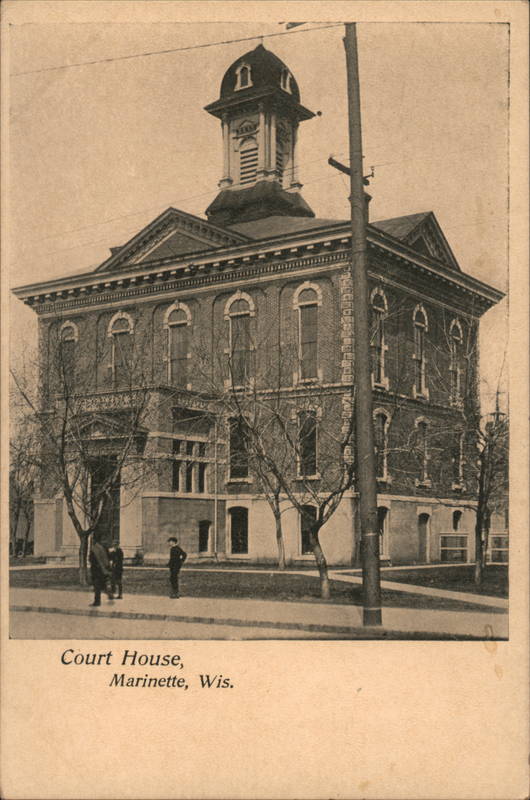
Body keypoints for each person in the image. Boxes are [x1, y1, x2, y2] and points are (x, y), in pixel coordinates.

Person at [89, 536, 114, 606]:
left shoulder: (94, 549)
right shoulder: (103, 548)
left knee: (97, 586)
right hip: (103, 570)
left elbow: (91, 560)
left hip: (96, 571)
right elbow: (108, 558)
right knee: (102, 584)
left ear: (94, 540)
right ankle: (109, 593)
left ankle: (97, 602)